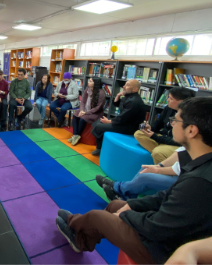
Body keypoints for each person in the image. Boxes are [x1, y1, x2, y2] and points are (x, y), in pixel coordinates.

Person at [56, 97, 212, 264]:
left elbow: (157, 228)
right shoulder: (200, 164)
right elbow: (165, 197)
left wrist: (127, 215)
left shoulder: (200, 182)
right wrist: (132, 206)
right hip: (169, 233)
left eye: (176, 120)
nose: (172, 123)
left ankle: (74, 225)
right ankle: (81, 239)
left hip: (162, 249)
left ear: (192, 130)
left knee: (97, 216)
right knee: (116, 205)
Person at [96, 146, 189, 201]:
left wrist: (157, 170)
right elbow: (180, 153)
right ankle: (124, 196)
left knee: (145, 177)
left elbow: (180, 169)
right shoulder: (189, 144)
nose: (172, 122)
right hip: (181, 173)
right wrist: (159, 166)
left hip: (186, 181)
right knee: (144, 169)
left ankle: (116, 187)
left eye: (176, 120)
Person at [135, 87, 196, 164]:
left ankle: (162, 156)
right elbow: (158, 122)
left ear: (181, 102)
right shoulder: (168, 108)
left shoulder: (189, 117)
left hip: (176, 143)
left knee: (158, 152)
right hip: (164, 138)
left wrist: (155, 137)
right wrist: (150, 128)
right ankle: (165, 154)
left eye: (170, 98)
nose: (167, 100)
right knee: (138, 134)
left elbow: (180, 141)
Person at [91, 79, 146, 156]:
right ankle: (101, 145)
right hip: (124, 122)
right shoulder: (128, 96)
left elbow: (123, 117)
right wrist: (118, 95)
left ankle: (99, 148)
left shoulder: (134, 101)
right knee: (98, 122)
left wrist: (109, 121)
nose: (124, 86)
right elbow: (119, 105)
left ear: (135, 89)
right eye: (125, 84)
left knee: (99, 126)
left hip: (129, 127)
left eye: (127, 85)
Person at [68, 78, 105, 145]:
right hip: (85, 110)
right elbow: (83, 101)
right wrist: (81, 110)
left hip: (95, 113)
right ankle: (75, 135)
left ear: (95, 83)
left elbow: (98, 107)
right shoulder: (87, 89)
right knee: (75, 114)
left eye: (90, 81)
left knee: (83, 118)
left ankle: (77, 135)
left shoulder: (101, 93)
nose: (88, 82)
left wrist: (85, 112)